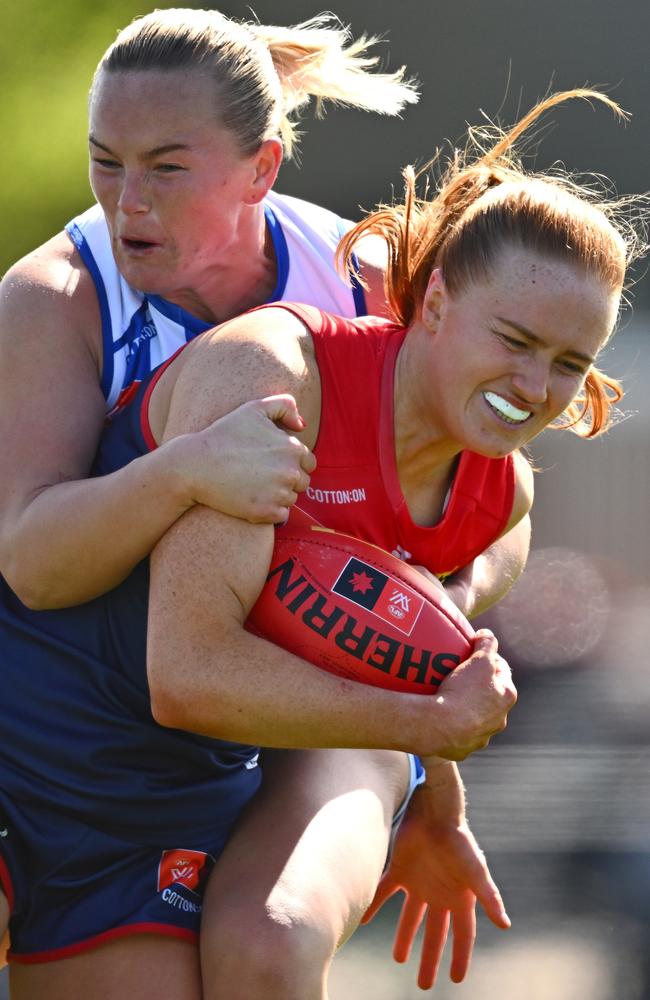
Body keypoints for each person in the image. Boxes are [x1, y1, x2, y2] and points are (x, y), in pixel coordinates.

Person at [1, 83, 645, 999]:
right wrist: (429, 733)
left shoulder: (497, 495)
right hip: (43, 716)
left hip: (157, 787)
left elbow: (437, 609)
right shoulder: (272, 377)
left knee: (268, 955)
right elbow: (188, 675)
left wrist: (432, 783)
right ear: (432, 303)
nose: (536, 385)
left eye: (571, 365)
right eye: (515, 340)